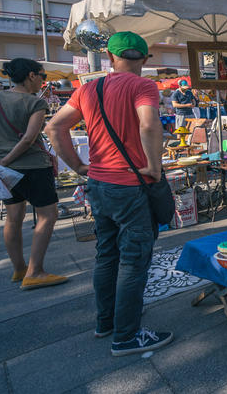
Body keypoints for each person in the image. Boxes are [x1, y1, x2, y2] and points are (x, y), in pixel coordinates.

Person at [46, 31, 172, 356]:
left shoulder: (89, 88)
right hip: (129, 185)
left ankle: (107, 322)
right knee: (134, 260)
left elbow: (54, 127)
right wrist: (155, 167)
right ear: (144, 59)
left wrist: (78, 166)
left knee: (106, 255)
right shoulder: (143, 85)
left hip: (99, 184)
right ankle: (127, 336)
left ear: (111, 58)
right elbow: (149, 125)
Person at [0, 59, 67, 289]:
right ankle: (35, 271)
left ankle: (19, 268)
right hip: (33, 166)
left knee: (13, 217)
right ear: (31, 75)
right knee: (47, 215)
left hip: (4, 168)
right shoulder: (35, 103)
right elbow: (30, 138)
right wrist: (9, 158)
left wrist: (1, 156)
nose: (43, 81)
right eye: (43, 76)